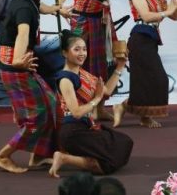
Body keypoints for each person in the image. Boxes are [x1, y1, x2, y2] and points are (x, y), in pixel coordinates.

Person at [0, 0, 60, 173]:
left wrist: (58, 10)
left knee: (51, 101)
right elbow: (23, 33)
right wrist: (19, 60)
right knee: (37, 115)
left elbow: (41, 7)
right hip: (16, 63)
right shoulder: (24, 7)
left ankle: (39, 156)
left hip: (20, 61)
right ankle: (3, 156)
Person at [112, 0, 177, 128]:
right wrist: (167, 11)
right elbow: (145, 16)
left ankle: (126, 108)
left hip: (150, 40)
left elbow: (175, 16)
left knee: (148, 81)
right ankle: (132, 110)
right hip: (139, 38)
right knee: (158, 79)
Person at [49, 30, 133, 178]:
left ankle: (69, 157)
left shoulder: (83, 73)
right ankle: (64, 158)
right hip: (72, 132)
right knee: (109, 163)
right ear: (64, 53)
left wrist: (119, 67)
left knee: (124, 142)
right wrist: (96, 100)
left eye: (84, 49)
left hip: (86, 125)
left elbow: (106, 91)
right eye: (76, 49)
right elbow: (76, 112)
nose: (82, 53)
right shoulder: (65, 80)